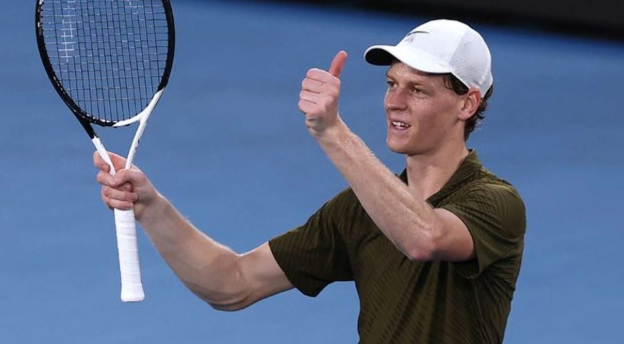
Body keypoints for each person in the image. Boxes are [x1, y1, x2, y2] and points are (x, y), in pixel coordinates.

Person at [95, 19, 526, 344]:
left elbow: (424, 238)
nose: (394, 102)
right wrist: (150, 207)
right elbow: (232, 283)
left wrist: (333, 133)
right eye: (391, 83)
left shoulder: (495, 202)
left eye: (418, 90)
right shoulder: (358, 210)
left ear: (467, 104)